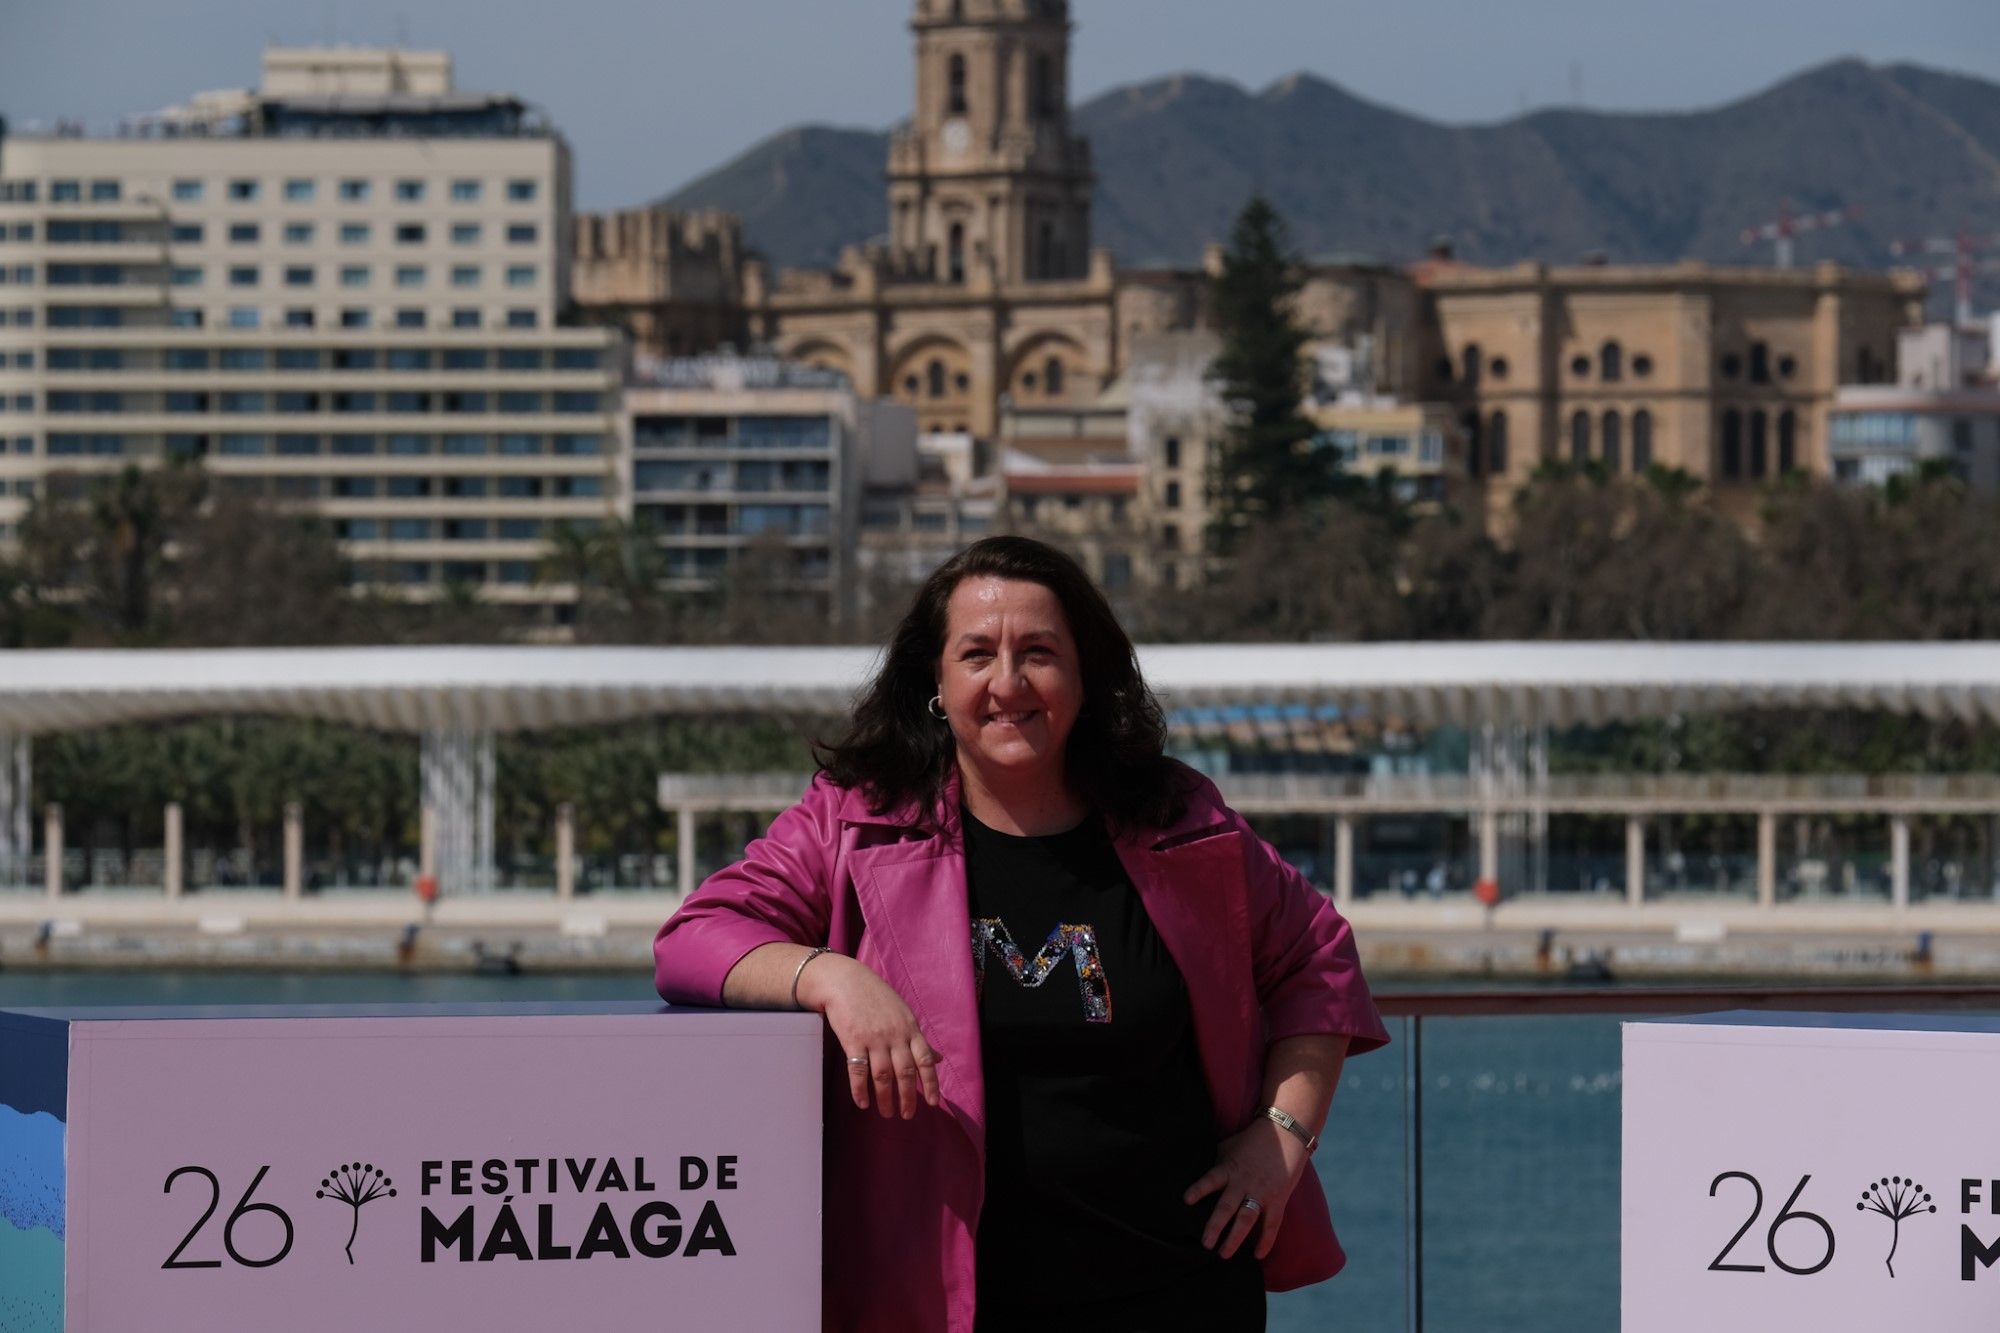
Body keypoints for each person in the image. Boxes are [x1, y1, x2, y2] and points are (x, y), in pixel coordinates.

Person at [653, 536, 1388, 1333]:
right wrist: (831, 976)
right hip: (946, 1303)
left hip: (1181, 1286)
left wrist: (1282, 1137)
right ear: (936, 681)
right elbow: (696, 935)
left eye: (1039, 652)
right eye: (977, 654)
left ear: (1082, 676)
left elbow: (1318, 958)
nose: (1008, 682)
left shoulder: (1181, 825)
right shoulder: (853, 822)